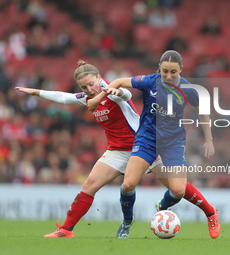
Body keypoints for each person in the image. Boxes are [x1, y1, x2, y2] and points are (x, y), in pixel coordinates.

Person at [15, 60, 160, 238]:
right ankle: (66, 230)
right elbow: (64, 97)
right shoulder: (87, 97)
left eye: (91, 84)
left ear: (99, 78)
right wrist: (36, 92)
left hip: (142, 146)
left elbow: (126, 94)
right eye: (84, 87)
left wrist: (119, 91)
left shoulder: (110, 91)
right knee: (89, 186)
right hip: (117, 151)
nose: (89, 90)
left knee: (178, 187)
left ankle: (206, 212)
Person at [88, 50, 221, 239]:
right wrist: (96, 99)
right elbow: (117, 82)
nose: (168, 75)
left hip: (173, 143)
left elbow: (204, 111)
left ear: (181, 70)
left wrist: (209, 139)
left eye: (173, 72)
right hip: (147, 139)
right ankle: (127, 222)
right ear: (159, 67)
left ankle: (166, 207)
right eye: (165, 71)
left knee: (178, 190)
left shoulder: (189, 89)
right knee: (128, 185)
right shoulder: (149, 81)